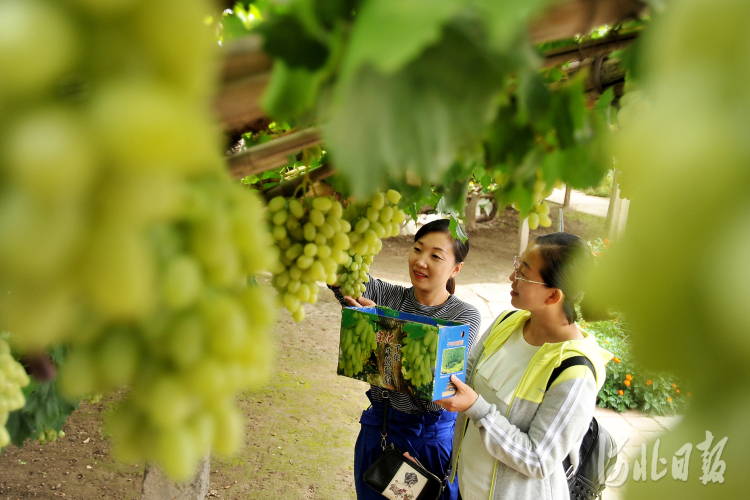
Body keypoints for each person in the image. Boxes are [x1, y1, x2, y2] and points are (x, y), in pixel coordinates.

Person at [436, 232, 613, 500]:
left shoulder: (576, 372)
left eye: (523, 273)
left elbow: (539, 459)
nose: (512, 277)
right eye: (517, 265)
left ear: (553, 295)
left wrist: (477, 408)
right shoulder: (507, 322)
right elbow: (465, 376)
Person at [330, 218, 482, 500]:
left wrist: (385, 327)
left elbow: (435, 390)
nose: (421, 261)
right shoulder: (390, 296)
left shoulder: (462, 317)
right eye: (417, 249)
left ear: (456, 268)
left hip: (426, 440)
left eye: (435, 256)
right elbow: (341, 276)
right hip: (379, 430)